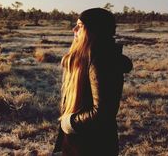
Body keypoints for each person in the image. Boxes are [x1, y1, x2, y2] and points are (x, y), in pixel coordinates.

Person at [53, 8, 133, 156]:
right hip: (82, 140)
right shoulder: (89, 57)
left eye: (80, 25)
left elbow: (103, 112)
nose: (74, 29)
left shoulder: (101, 61)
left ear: (93, 30)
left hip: (92, 145)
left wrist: (70, 123)